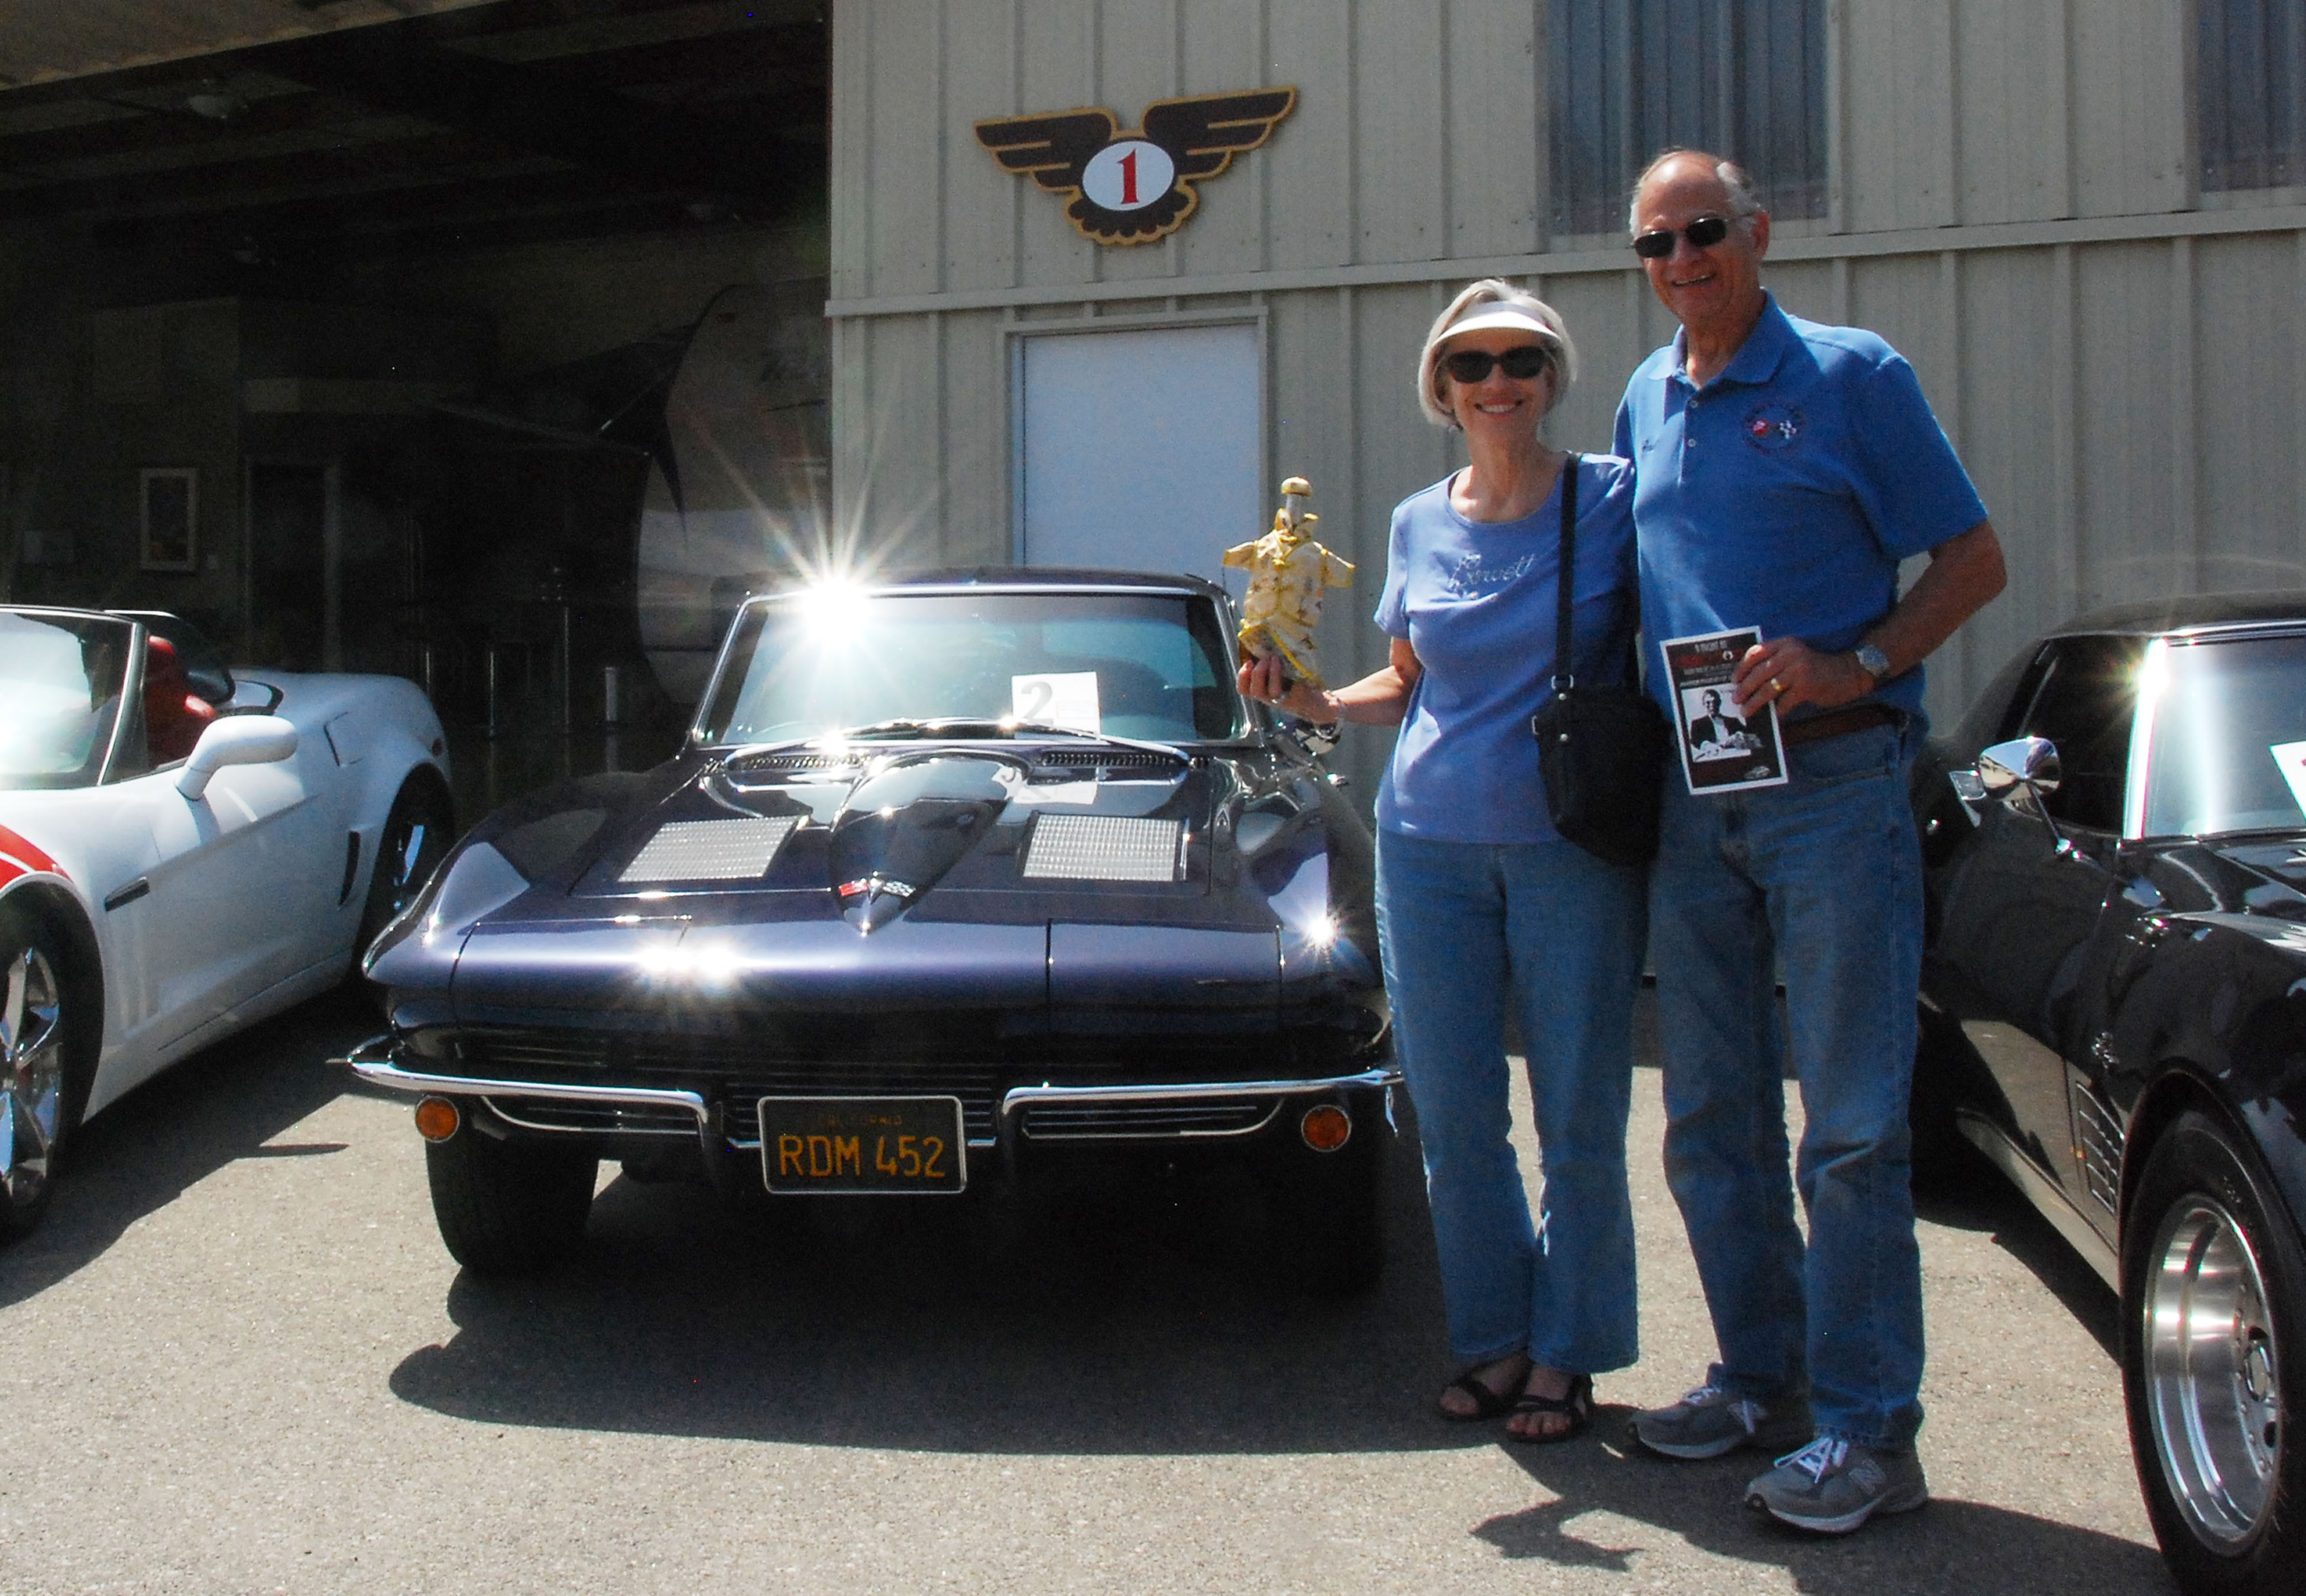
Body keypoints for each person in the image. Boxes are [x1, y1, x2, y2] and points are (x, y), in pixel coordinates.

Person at [1614, 150, 2007, 1533]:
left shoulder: (1853, 377)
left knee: (1845, 1130)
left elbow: (1972, 558)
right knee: (1711, 1114)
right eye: (1655, 243)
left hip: (1837, 790)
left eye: (1704, 232)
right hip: (1694, 797)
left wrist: (1860, 660)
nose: (1681, 261)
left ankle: (1867, 1429)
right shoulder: (1646, 394)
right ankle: (1757, 1377)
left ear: (1758, 233)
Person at [1240, 280, 1647, 1443]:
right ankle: (1496, 1339)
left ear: (1551, 377)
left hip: (1570, 847)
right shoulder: (1420, 519)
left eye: (1521, 359)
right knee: (1456, 1114)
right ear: (1443, 389)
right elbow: (1408, 679)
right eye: (1472, 366)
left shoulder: (1610, 501)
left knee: (1578, 1111)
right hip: (1426, 851)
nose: (1497, 382)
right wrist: (1309, 697)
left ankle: (1571, 1353)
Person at [1683, 688, 1752, 758]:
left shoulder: (1733, 721)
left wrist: (1738, 736)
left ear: (1719, 703)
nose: (1712, 705)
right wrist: (1708, 745)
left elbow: (1748, 732)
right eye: (1708, 702)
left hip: (1737, 755)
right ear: (1704, 704)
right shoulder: (1697, 724)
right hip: (1712, 757)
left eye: (1715, 702)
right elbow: (1695, 741)